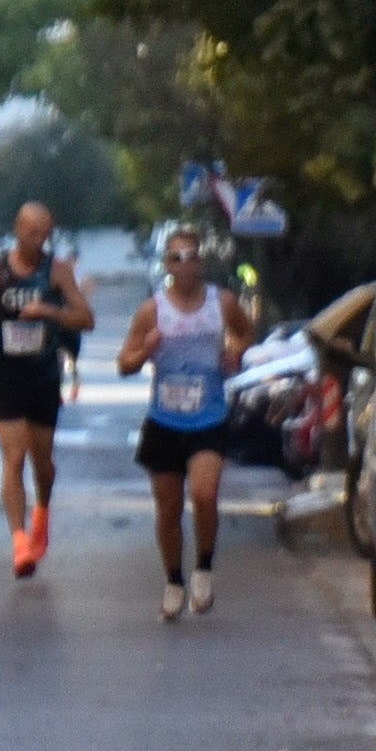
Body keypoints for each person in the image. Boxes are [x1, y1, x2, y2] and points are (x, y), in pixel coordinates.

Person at [116, 226, 251, 619]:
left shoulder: (221, 302)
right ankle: (174, 580)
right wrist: (146, 350)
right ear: (166, 265)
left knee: (206, 494)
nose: (185, 264)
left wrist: (236, 351)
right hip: (164, 421)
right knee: (169, 510)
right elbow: (125, 364)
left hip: (209, 417)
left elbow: (245, 332)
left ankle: (203, 568)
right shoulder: (153, 310)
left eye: (191, 255)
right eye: (176, 257)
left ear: (202, 261)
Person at [0, 202, 97, 579]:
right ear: (17, 228)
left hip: (43, 374)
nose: (38, 240)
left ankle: (41, 512)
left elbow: (86, 318)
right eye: (31, 232)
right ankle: (19, 543)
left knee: (41, 461)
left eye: (45, 234)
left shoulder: (57, 271)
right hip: (3, 372)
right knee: (13, 456)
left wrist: (50, 312)